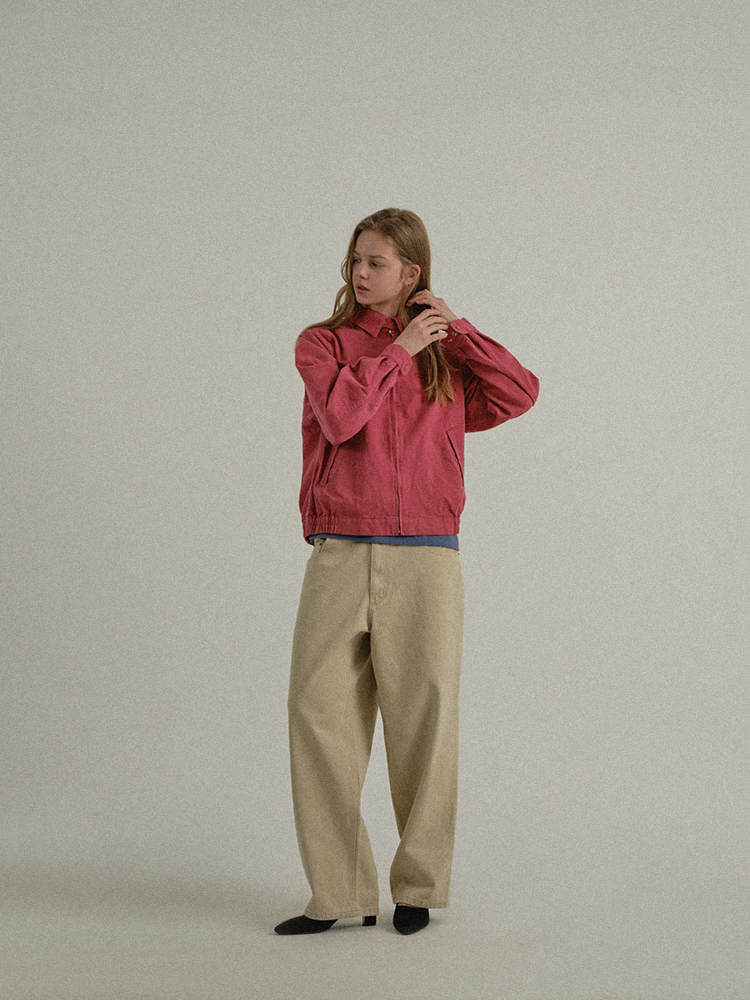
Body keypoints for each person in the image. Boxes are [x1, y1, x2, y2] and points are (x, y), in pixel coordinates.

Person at [274, 208, 539, 936]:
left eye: (377, 263)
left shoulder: (445, 358)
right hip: (340, 549)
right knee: (317, 716)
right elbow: (341, 418)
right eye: (355, 260)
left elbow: (519, 393)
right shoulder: (323, 344)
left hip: (427, 554)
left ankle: (418, 887)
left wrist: (455, 331)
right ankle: (340, 895)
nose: (360, 273)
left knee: (426, 719)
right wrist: (397, 351)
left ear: (411, 272)